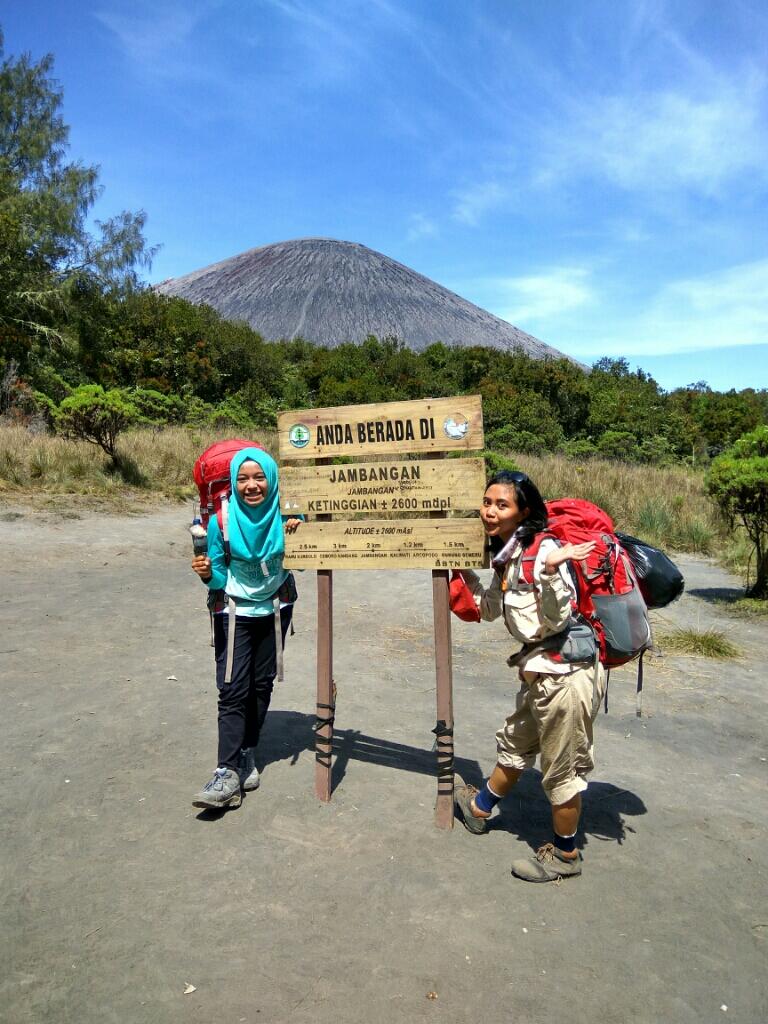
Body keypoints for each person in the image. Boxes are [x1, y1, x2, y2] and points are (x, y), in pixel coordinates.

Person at [454, 470, 606, 882]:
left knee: (562, 768)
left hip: (566, 675)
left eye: (501, 504)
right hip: (539, 673)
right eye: (487, 502)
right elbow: (489, 608)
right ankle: (480, 807)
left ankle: (565, 855)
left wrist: (552, 571)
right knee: (517, 741)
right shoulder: (507, 554)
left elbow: (558, 617)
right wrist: (460, 572)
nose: (490, 511)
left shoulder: (543, 550)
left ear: (524, 512)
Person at [190, 448, 300, 810]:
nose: (251, 485)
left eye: (258, 477)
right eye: (242, 478)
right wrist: (208, 575)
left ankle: (248, 750)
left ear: (271, 478)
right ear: (234, 483)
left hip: (276, 606)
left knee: (261, 682)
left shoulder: (287, 513)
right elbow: (219, 575)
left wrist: (300, 529)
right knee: (232, 687)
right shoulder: (220, 520)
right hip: (234, 611)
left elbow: (311, 549)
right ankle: (227, 770)